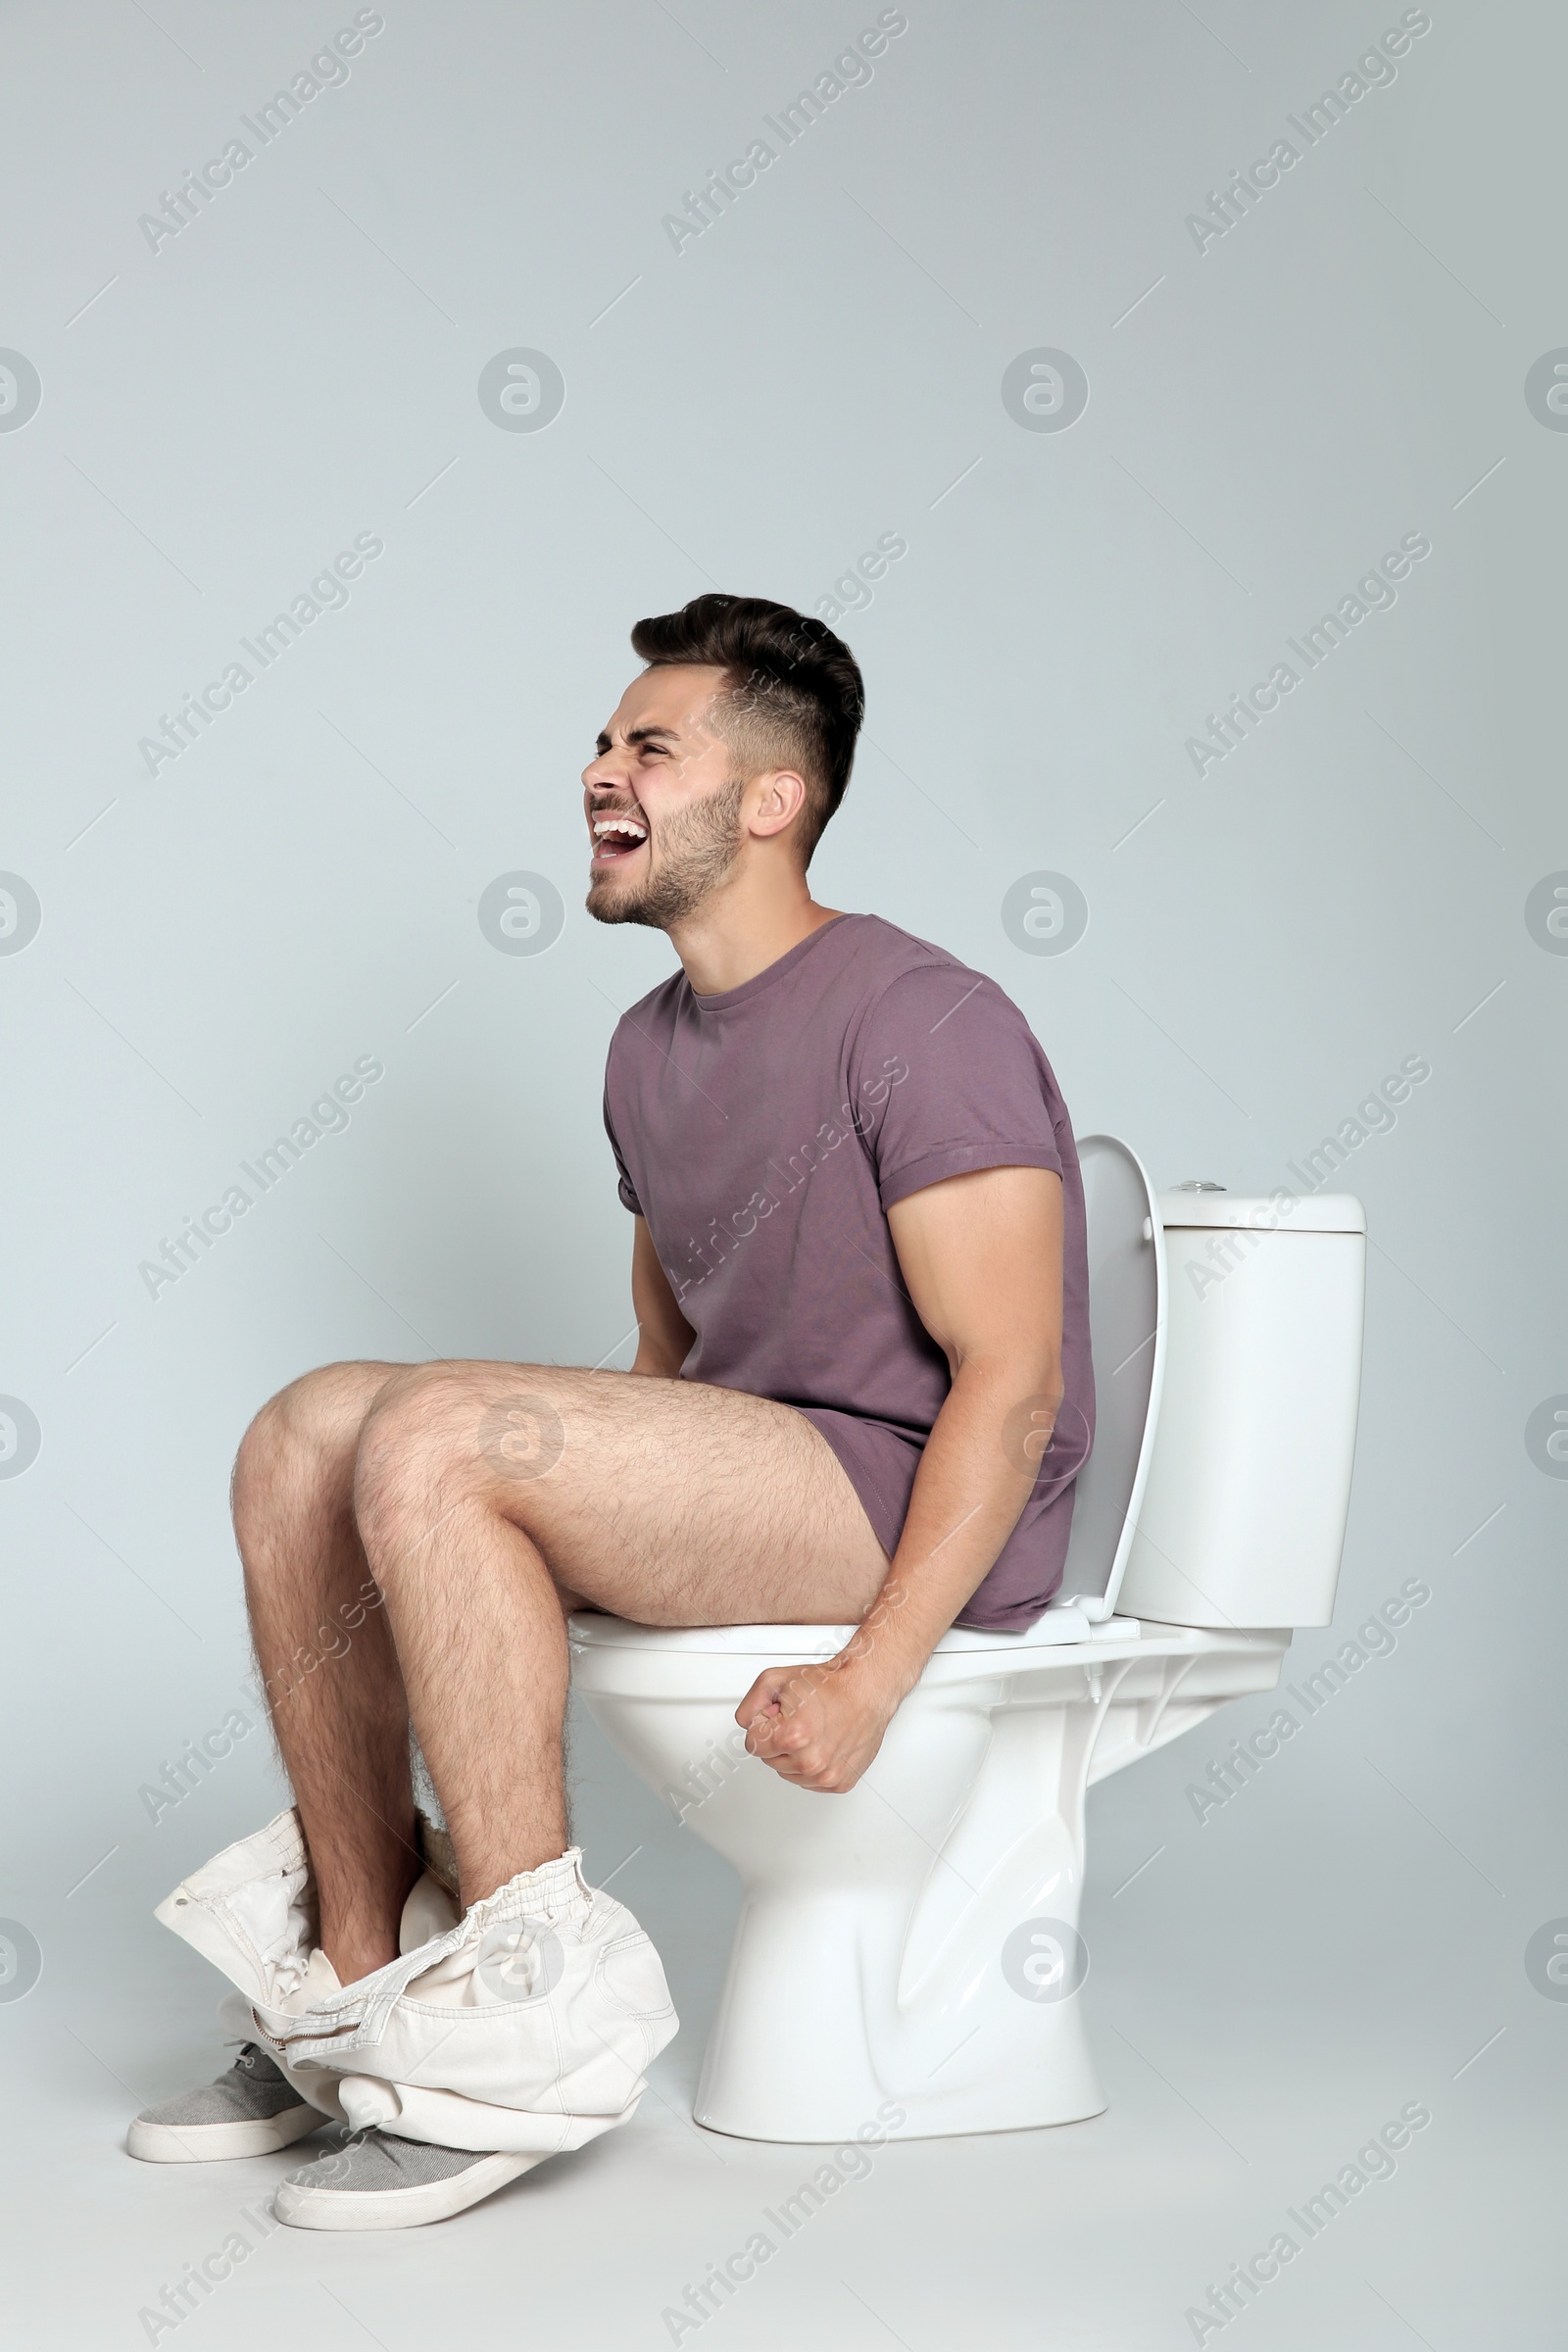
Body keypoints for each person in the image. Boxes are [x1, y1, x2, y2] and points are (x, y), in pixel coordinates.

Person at [126, 594, 1094, 2230]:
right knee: (310, 1431)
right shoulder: (645, 1049)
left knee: (436, 1429)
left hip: (910, 1489)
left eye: (651, 744)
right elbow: (667, 1362)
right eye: (599, 740)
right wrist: (534, 1527)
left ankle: (521, 2040)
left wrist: (874, 1675)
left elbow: (1016, 1382)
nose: (597, 769)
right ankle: (368, 1988)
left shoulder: (926, 1019)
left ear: (772, 800)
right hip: (758, 1455)